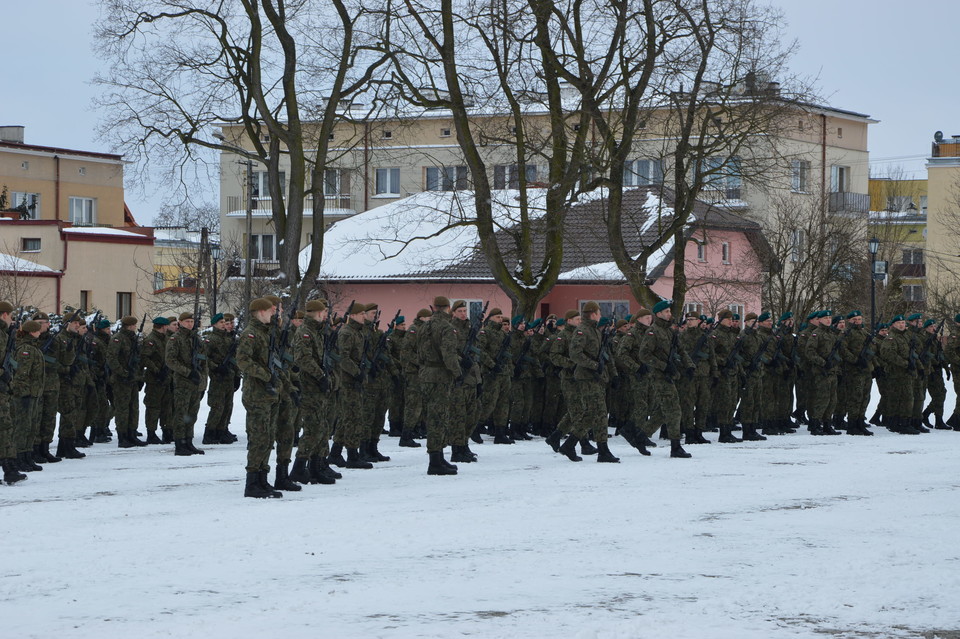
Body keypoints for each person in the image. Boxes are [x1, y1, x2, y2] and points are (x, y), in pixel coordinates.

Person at [237, 298, 282, 498]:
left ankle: (263, 479)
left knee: (268, 437)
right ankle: (252, 482)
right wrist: (265, 375)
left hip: (269, 393)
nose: (273, 313)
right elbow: (243, 361)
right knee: (259, 438)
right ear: (261, 312)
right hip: (256, 393)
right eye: (270, 311)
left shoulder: (266, 333)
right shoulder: (251, 334)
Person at [290, 299, 339, 485]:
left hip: (319, 388)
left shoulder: (317, 332)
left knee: (322, 427)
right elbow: (303, 359)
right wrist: (320, 376)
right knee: (312, 428)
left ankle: (316, 466)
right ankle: (299, 468)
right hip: (310, 387)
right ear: (317, 313)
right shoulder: (305, 332)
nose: (326, 315)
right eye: (324, 312)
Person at [636, 300, 692, 458]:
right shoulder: (653, 332)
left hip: (669, 375)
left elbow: (680, 349)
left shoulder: (669, 331)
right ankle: (675, 447)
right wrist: (663, 366)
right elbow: (644, 354)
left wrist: (689, 365)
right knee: (674, 409)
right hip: (659, 376)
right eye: (666, 311)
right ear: (659, 314)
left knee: (662, 411)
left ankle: (640, 437)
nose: (669, 314)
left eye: (669, 311)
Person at [569, 301, 620, 462]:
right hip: (586, 377)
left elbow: (604, 355)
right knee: (597, 414)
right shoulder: (582, 331)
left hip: (597, 378)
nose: (600, 315)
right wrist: (594, 365)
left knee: (596, 414)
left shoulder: (595, 331)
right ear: (593, 314)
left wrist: (612, 375)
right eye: (599, 313)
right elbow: (575, 354)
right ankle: (600, 450)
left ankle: (572, 445)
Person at [417, 296, 461, 475]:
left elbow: (419, 351)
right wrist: (457, 373)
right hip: (440, 376)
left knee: (432, 416)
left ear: (434, 307)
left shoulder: (424, 326)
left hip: (426, 374)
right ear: (448, 308)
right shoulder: (446, 327)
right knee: (439, 418)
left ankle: (438, 457)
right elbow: (449, 354)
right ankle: (435, 461)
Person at [328, 302, 373, 469]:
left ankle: (335, 453)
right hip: (348, 381)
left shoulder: (358, 332)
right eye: (361, 314)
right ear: (353, 315)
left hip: (354, 380)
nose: (364, 316)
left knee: (347, 418)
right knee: (353, 418)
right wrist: (357, 373)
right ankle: (353, 455)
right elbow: (344, 358)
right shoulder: (347, 332)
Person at [165, 311, 207, 455]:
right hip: (183, 382)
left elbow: (203, 358)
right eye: (187, 321)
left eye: (192, 321)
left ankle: (188, 441)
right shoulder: (175, 339)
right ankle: (180, 443)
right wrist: (188, 372)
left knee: (192, 414)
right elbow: (170, 361)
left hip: (195, 383)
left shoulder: (196, 338)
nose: (190, 324)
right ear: (181, 323)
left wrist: (201, 378)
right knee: (181, 414)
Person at [107, 315, 147, 447]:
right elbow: (112, 359)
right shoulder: (118, 339)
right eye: (134, 325)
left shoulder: (133, 339)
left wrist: (139, 376)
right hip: (121, 380)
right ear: (129, 326)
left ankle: (131, 434)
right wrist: (123, 373)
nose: (135, 328)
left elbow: (138, 359)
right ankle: (122, 436)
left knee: (133, 408)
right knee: (122, 409)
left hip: (132, 379)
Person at [11, 320, 44, 473]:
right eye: (38, 330)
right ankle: (19, 457)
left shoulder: (33, 347)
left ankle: (27, 456)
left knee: (31, 426)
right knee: (22, 427)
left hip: (34, 393)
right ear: (32, 332)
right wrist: (23, 393)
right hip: (25, 394)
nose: (40, 332)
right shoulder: (25, 349)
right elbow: (21, 374)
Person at [203, 313, 240, 445]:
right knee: (217, 407)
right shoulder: (211, 339)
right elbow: (205, 359)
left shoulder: (229, 339)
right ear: (214, 324)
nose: (224, 325)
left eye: (225, 322)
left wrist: (237, 375)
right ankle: (210, 432)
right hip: (218, 377)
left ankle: (221, 430)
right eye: (221, 323)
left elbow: (234, 359)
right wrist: (216, 367)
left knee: (227, 406)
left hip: (229, 377)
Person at [142, 317, 171, 444]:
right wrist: (156, 370)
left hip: (166, 377)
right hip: (154, 378)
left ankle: (166, 431)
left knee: (166, 407)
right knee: (153, 407)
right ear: (163, 326)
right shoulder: (150, 340)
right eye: (166, 326)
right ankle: (151, 433)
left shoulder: (165, 339)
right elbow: (145, 358)